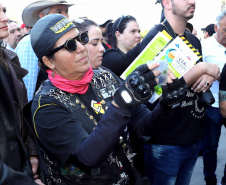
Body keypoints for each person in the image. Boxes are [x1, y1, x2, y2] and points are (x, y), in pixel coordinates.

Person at [25, 13, 201, 185]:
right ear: (49, 61)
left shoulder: (103, 75)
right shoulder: (45, 105)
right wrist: (122, 102)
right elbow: (88, 156)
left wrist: (165, 106)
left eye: (82, 38)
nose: (81, 47)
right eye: (71, 45)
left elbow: (142, 126)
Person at [140, 0, 220, 184]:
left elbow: (200, 79)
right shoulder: (156, 38)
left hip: (192, 139)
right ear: (167, 3)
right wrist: (201, 69)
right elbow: (157, 91)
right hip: (166, 143)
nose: (192, 1)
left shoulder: (193, 40)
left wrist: (207, 75)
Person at [0, 3, 43, 184]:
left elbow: (22, 110)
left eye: (3, 10)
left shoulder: (8, 59)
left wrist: (31, 152)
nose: (5, 18)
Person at [15, 0, 74, 102]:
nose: (66, 16)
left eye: (66, 11)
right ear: (43, 16)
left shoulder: (61, 40)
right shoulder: (29, 43)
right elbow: (27, 88)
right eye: (59, 12)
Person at [201, 11, 226, 185]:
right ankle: (210, 179)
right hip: (212, 106)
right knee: (210, 147)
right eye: (225, 29)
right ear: (216, 27)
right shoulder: (204, 46)